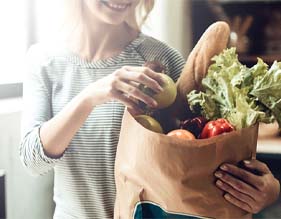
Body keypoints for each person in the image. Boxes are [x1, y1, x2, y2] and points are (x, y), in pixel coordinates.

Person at [20, 0, 280, 218]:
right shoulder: (44, 61)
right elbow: (32, 161)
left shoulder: (163, 59)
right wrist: (91, 95)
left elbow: (203, 156)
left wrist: (266, 188)